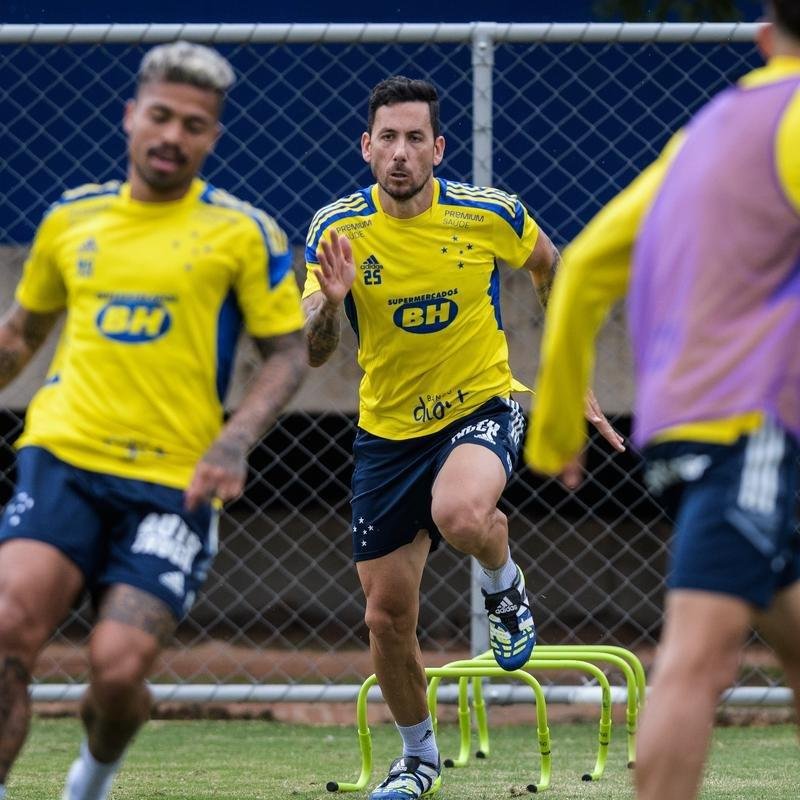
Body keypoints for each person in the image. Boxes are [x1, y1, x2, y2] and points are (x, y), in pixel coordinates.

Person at [0, 41, 307, 800]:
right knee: (6, 632)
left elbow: (289, 353)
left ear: (213, 137)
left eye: (194, 124)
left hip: (174, 480)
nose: (173, 135)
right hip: (63, 457)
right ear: (132, 116)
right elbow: (19, 337)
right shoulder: (71, 218)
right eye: (162, 116)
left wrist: (236, 439)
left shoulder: (244, 232)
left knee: (118, 670)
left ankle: (91, 778)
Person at [302, 75, 624, 800]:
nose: (401, 152)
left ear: (439, 148)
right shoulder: (337, 230)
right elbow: (318, 349)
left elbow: (551, 265)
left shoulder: (490, 213)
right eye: (388, 137)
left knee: (462, 514)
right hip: (387, 433)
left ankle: (503, 584)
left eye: (416, 138)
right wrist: (330, 303)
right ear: (366, 147)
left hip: (483, 400)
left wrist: (569, 373)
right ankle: (418, 757)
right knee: (386, 618)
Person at [526, 3, 800, 799]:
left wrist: (551, 436)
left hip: (680, 417)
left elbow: (578, 271)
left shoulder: (704, 130)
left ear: (761, 36)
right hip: (755, 425)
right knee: (700, 658)